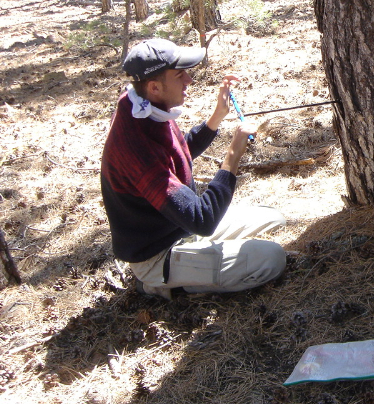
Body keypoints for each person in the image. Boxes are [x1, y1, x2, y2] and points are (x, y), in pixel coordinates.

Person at [100, 38, 286, 299]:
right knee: (272, 259)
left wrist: (216, 117)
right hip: (158, 253)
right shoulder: (135, 146)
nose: (189, 80)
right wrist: (233, 154)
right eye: (179, 75)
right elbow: (203, 219)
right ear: (154, 86)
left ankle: (200, 261)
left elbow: (179, 153)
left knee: (274, 217)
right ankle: (160, 284)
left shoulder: (142, 106)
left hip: (180, 226)